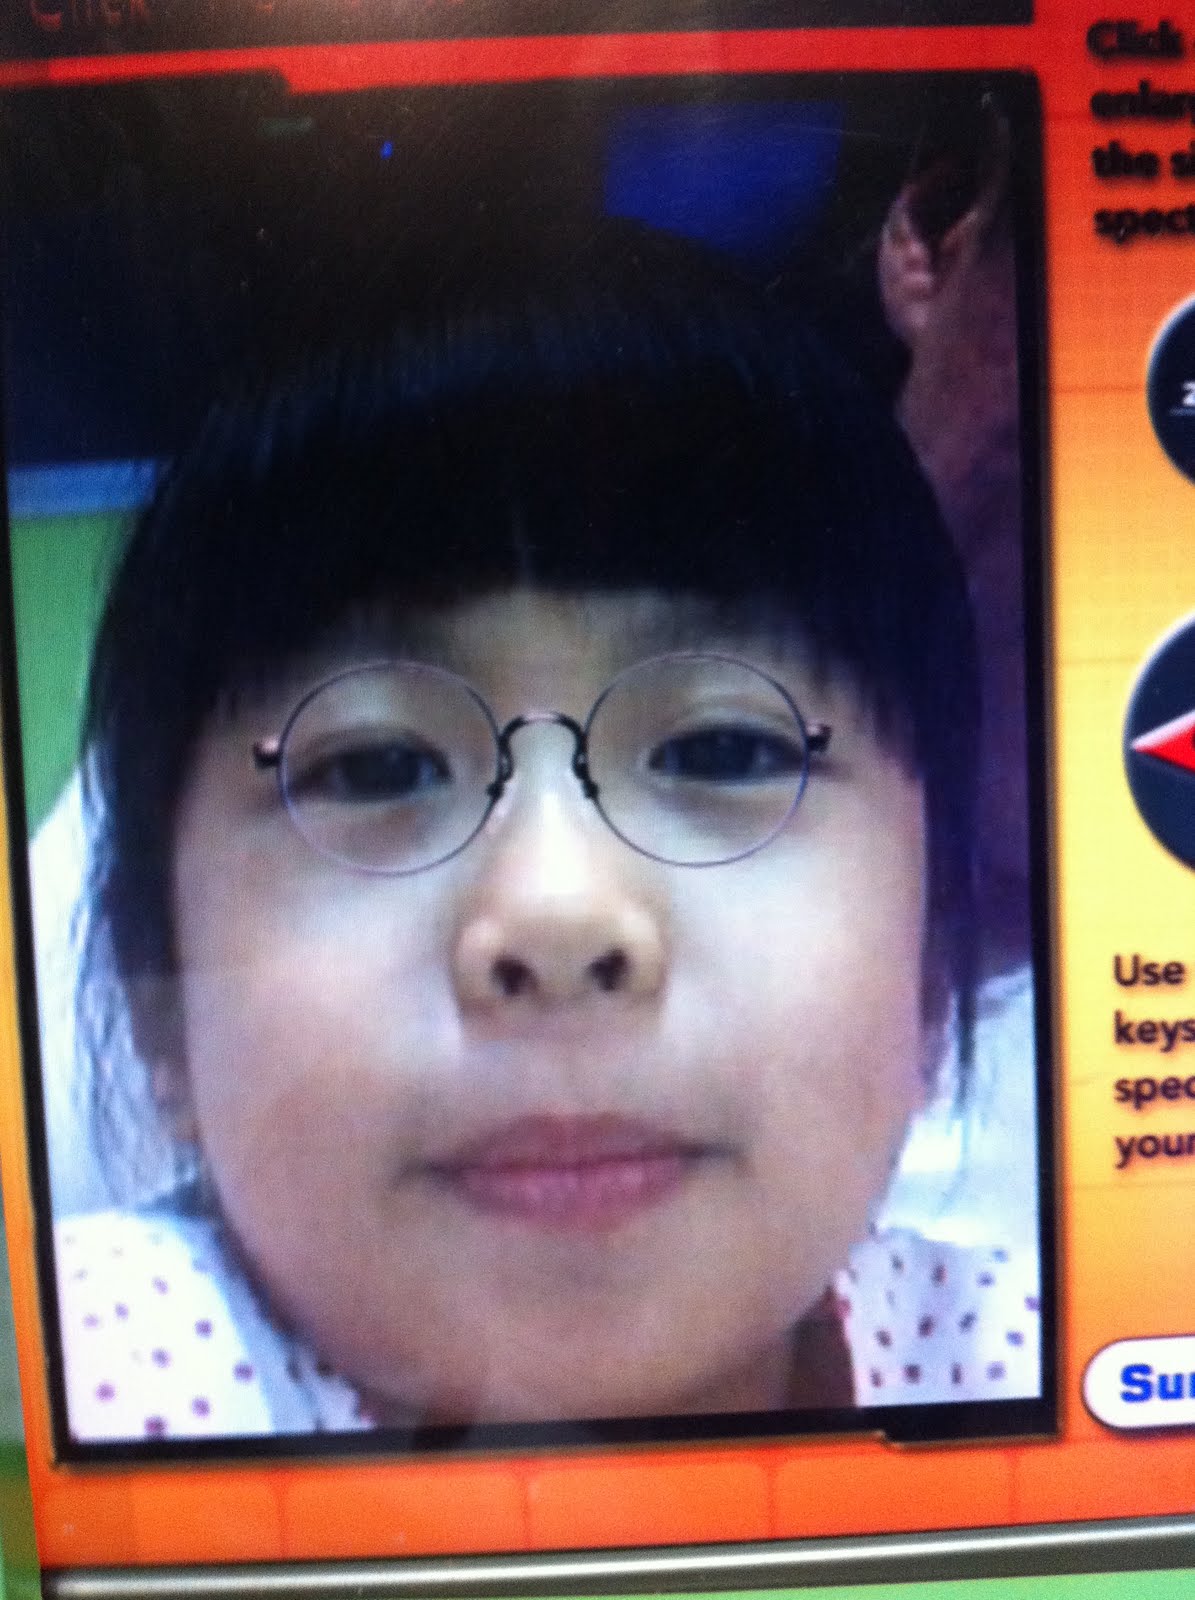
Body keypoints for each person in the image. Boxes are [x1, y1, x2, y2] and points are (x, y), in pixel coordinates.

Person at [55, 229, 1040, 1442]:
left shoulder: (1051, 1358)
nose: (557, 916)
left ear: (931, 978)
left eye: (722, 750)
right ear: (159, 1013)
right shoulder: (107, 1366)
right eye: (376, 765)